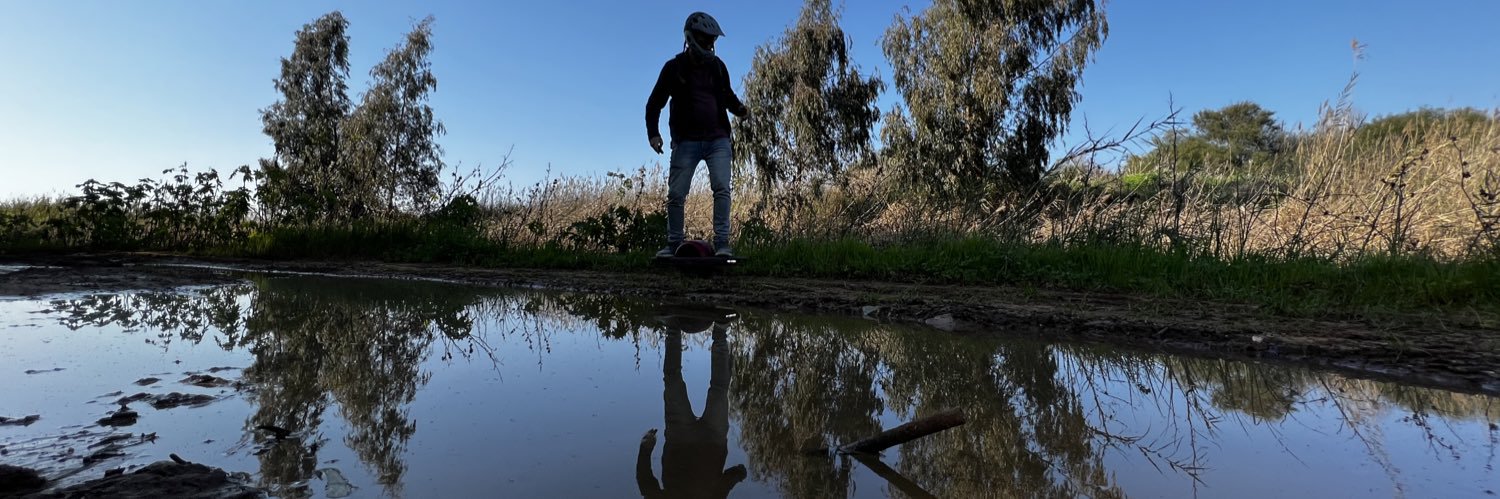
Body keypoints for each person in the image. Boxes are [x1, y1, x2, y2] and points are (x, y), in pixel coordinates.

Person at [645, 11, 749, 258]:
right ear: (691, 38)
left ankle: (722, 244)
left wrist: (740, 110)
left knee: (722, 188)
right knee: (676, 195)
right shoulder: (673, 68)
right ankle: (673, 245)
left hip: (718, 140)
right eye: (706, 39)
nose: (710, 45)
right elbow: (654, 103)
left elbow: (727, 97)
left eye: (713, 40)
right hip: (686, 141)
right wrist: (653, 134)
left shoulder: (718, 67)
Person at [636, 312, 746, 499]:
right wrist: (737, 476)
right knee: (718, 390)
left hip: (679, 436)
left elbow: (646, 483)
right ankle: (720, 330)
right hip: (713, 438)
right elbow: (726, 483)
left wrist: (645, 449)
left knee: (673, 380)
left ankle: (673, 326)